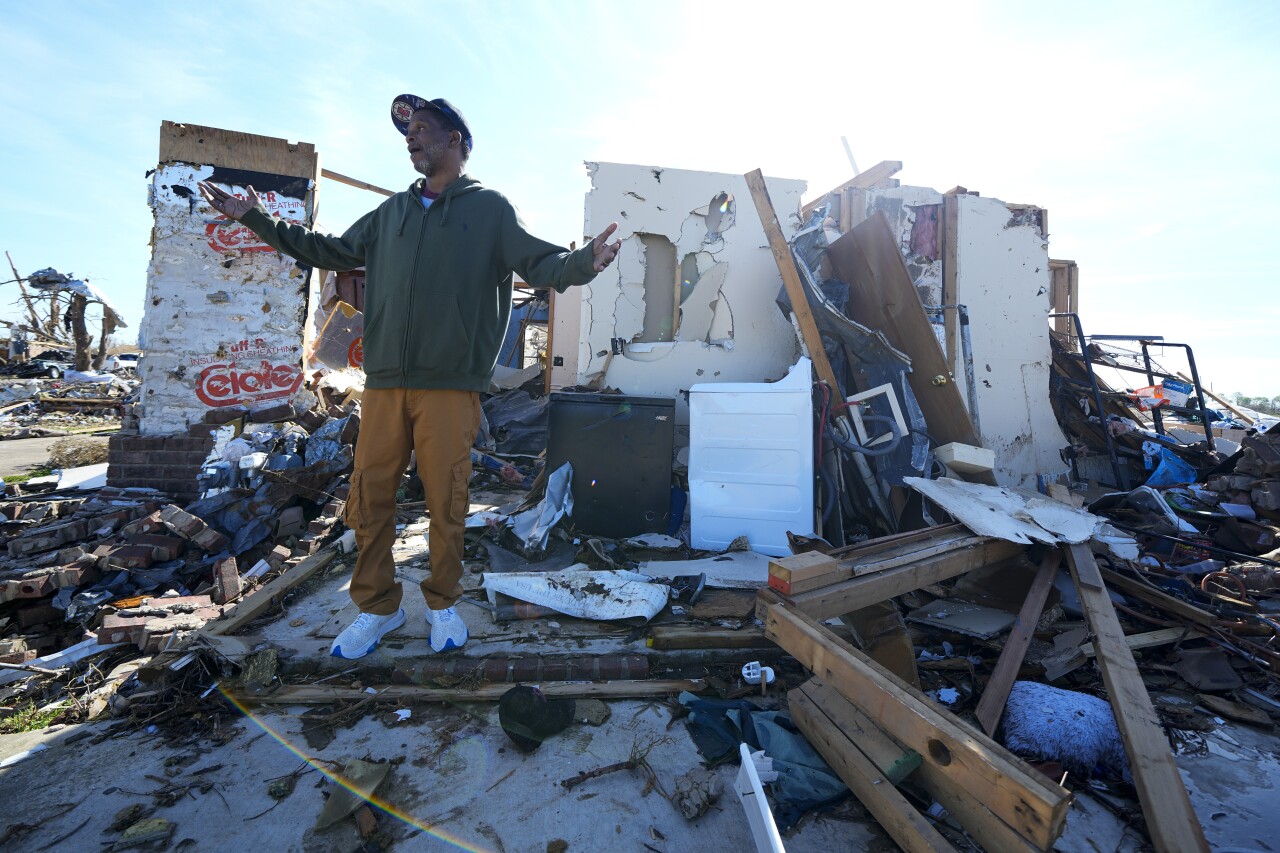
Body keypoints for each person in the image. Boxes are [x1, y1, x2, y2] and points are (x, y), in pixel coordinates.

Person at [198, 95, 620, 659]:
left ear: (457, 142)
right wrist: (253, 217)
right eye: (406, 133)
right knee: (369, 496)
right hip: (385, 383)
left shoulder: (489, 209)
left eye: (422, 129)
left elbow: (540, 263)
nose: (411, 139)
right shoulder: (390, 214)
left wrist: (583, 262)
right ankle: (378, 608)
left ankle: (443, 603)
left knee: (447, 497)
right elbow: (326, 249)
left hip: (450, 384)